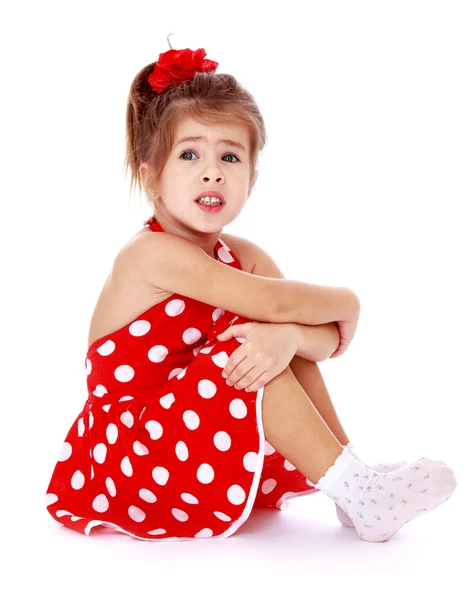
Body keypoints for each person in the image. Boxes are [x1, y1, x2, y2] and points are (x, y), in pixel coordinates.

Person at [44, 37, 457, 544]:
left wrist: (286, 339)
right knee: (246, 348)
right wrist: (348, 302)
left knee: (267, 342)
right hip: (135, 454)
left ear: (252, 178)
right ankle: (360, 491)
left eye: (231, 157)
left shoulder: (245, 256)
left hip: (191, 436)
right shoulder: (151, 255)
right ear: (151, 178)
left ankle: (353, 487)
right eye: (189, 154)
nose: (212, 170)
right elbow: (284, 305)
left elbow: (321, 339)